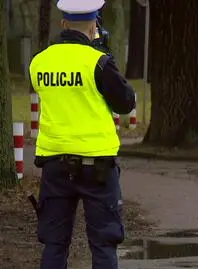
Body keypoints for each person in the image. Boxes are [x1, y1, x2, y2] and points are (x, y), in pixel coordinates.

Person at [28, 0, 136, 268]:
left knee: (55, 243)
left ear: (63, 23)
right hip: (97, 166)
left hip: (55, 165)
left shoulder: (39, 63)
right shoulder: (99, 62)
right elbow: (125, 103)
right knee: (103, 243)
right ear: (94, 24)